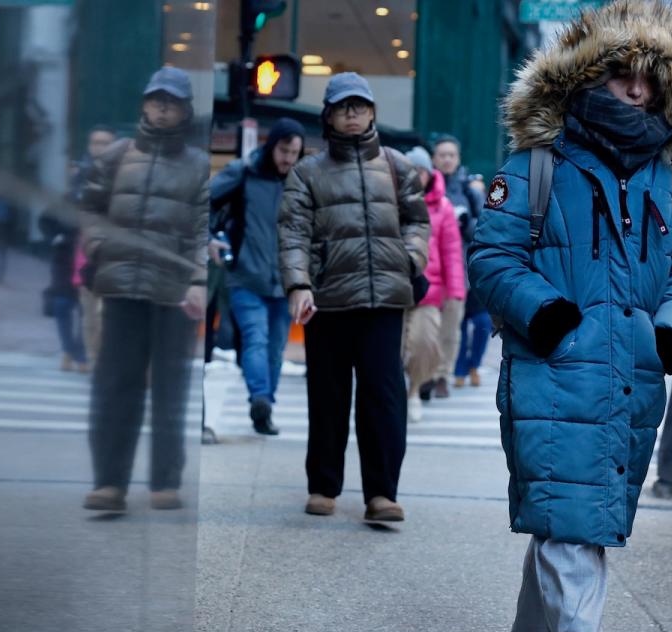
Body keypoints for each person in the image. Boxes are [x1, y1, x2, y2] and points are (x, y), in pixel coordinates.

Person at [468, 1, 672, 632]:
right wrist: (547, 314)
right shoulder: (537, 161)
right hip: (552, 365)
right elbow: (492, 257)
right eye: (621, 75)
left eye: (648, 77)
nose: (636, 90)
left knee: (574, 516)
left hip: (632, 373)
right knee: (574, 524)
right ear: (587, 77)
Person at [279, 72, 429, 522]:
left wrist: (411, 258)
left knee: (384, 398)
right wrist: (299, 284)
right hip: (328, 300)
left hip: (384, 298)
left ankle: (381, 494)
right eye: (343, 106)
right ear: (328, 115)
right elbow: (293, 233)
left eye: (359, 106)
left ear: (372, 113)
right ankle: (323, 486)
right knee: (327, 396)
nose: (352, 113)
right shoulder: (307, 172)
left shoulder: (397, 165)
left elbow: (418, 221)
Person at [80, 67, 209, 512]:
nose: (162, 107)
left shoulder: (196, 165)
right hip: (120, 287)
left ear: (185, 110)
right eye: (156, 99)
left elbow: (200, 228)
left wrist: (196, 280)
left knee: (171, 390)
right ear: (144, 104)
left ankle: (164, 480)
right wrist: (98, 247)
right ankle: (109, 481)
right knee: (115, 386)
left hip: (172, 293)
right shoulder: (115, 156)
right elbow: (91, 211)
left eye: (171, 101)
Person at [208, 117, 305, 435]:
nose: (288, 158)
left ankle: (264, 406)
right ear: (271, 145)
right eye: (283, 150)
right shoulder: (245, 172)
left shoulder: (302, 181)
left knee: (275, 348)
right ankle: (260, 398)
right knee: (255, 339)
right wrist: (210, 238)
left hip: (285, 283)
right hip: (246, 276)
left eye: (294, 152)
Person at [43, 125, 117, 373]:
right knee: (69, 307)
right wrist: (59, 236)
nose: (100, 148)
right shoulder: (78, 177)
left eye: (105, 143)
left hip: (105, 255)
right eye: (96, 142)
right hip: (72, 253)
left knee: (98, 314)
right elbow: (53, 213)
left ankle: (87, 355)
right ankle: (75, 352)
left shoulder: (123, 176)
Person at [401, 145, 462, 422]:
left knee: (425, 343)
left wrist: (456, 291)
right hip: (394, 287)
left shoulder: (443, 205)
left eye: (421, 171)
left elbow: (451, 250)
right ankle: (398, 390)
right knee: (395, 347)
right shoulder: (390, 199)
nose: (416, 175)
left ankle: (414, 390)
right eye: (411, 170)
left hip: (429, 288)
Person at [431, 134, 484, 398]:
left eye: (451, 154)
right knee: (427, 326)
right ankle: (426, 372)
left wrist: (464, 225)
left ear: (458, 158)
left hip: (458, 269)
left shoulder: (468, 190)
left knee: (453, 327)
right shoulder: (425, 185)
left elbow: (484, 227)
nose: (447, 159)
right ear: (434, 158)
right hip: (429, 269)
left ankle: (444, 374)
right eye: (442, 155)